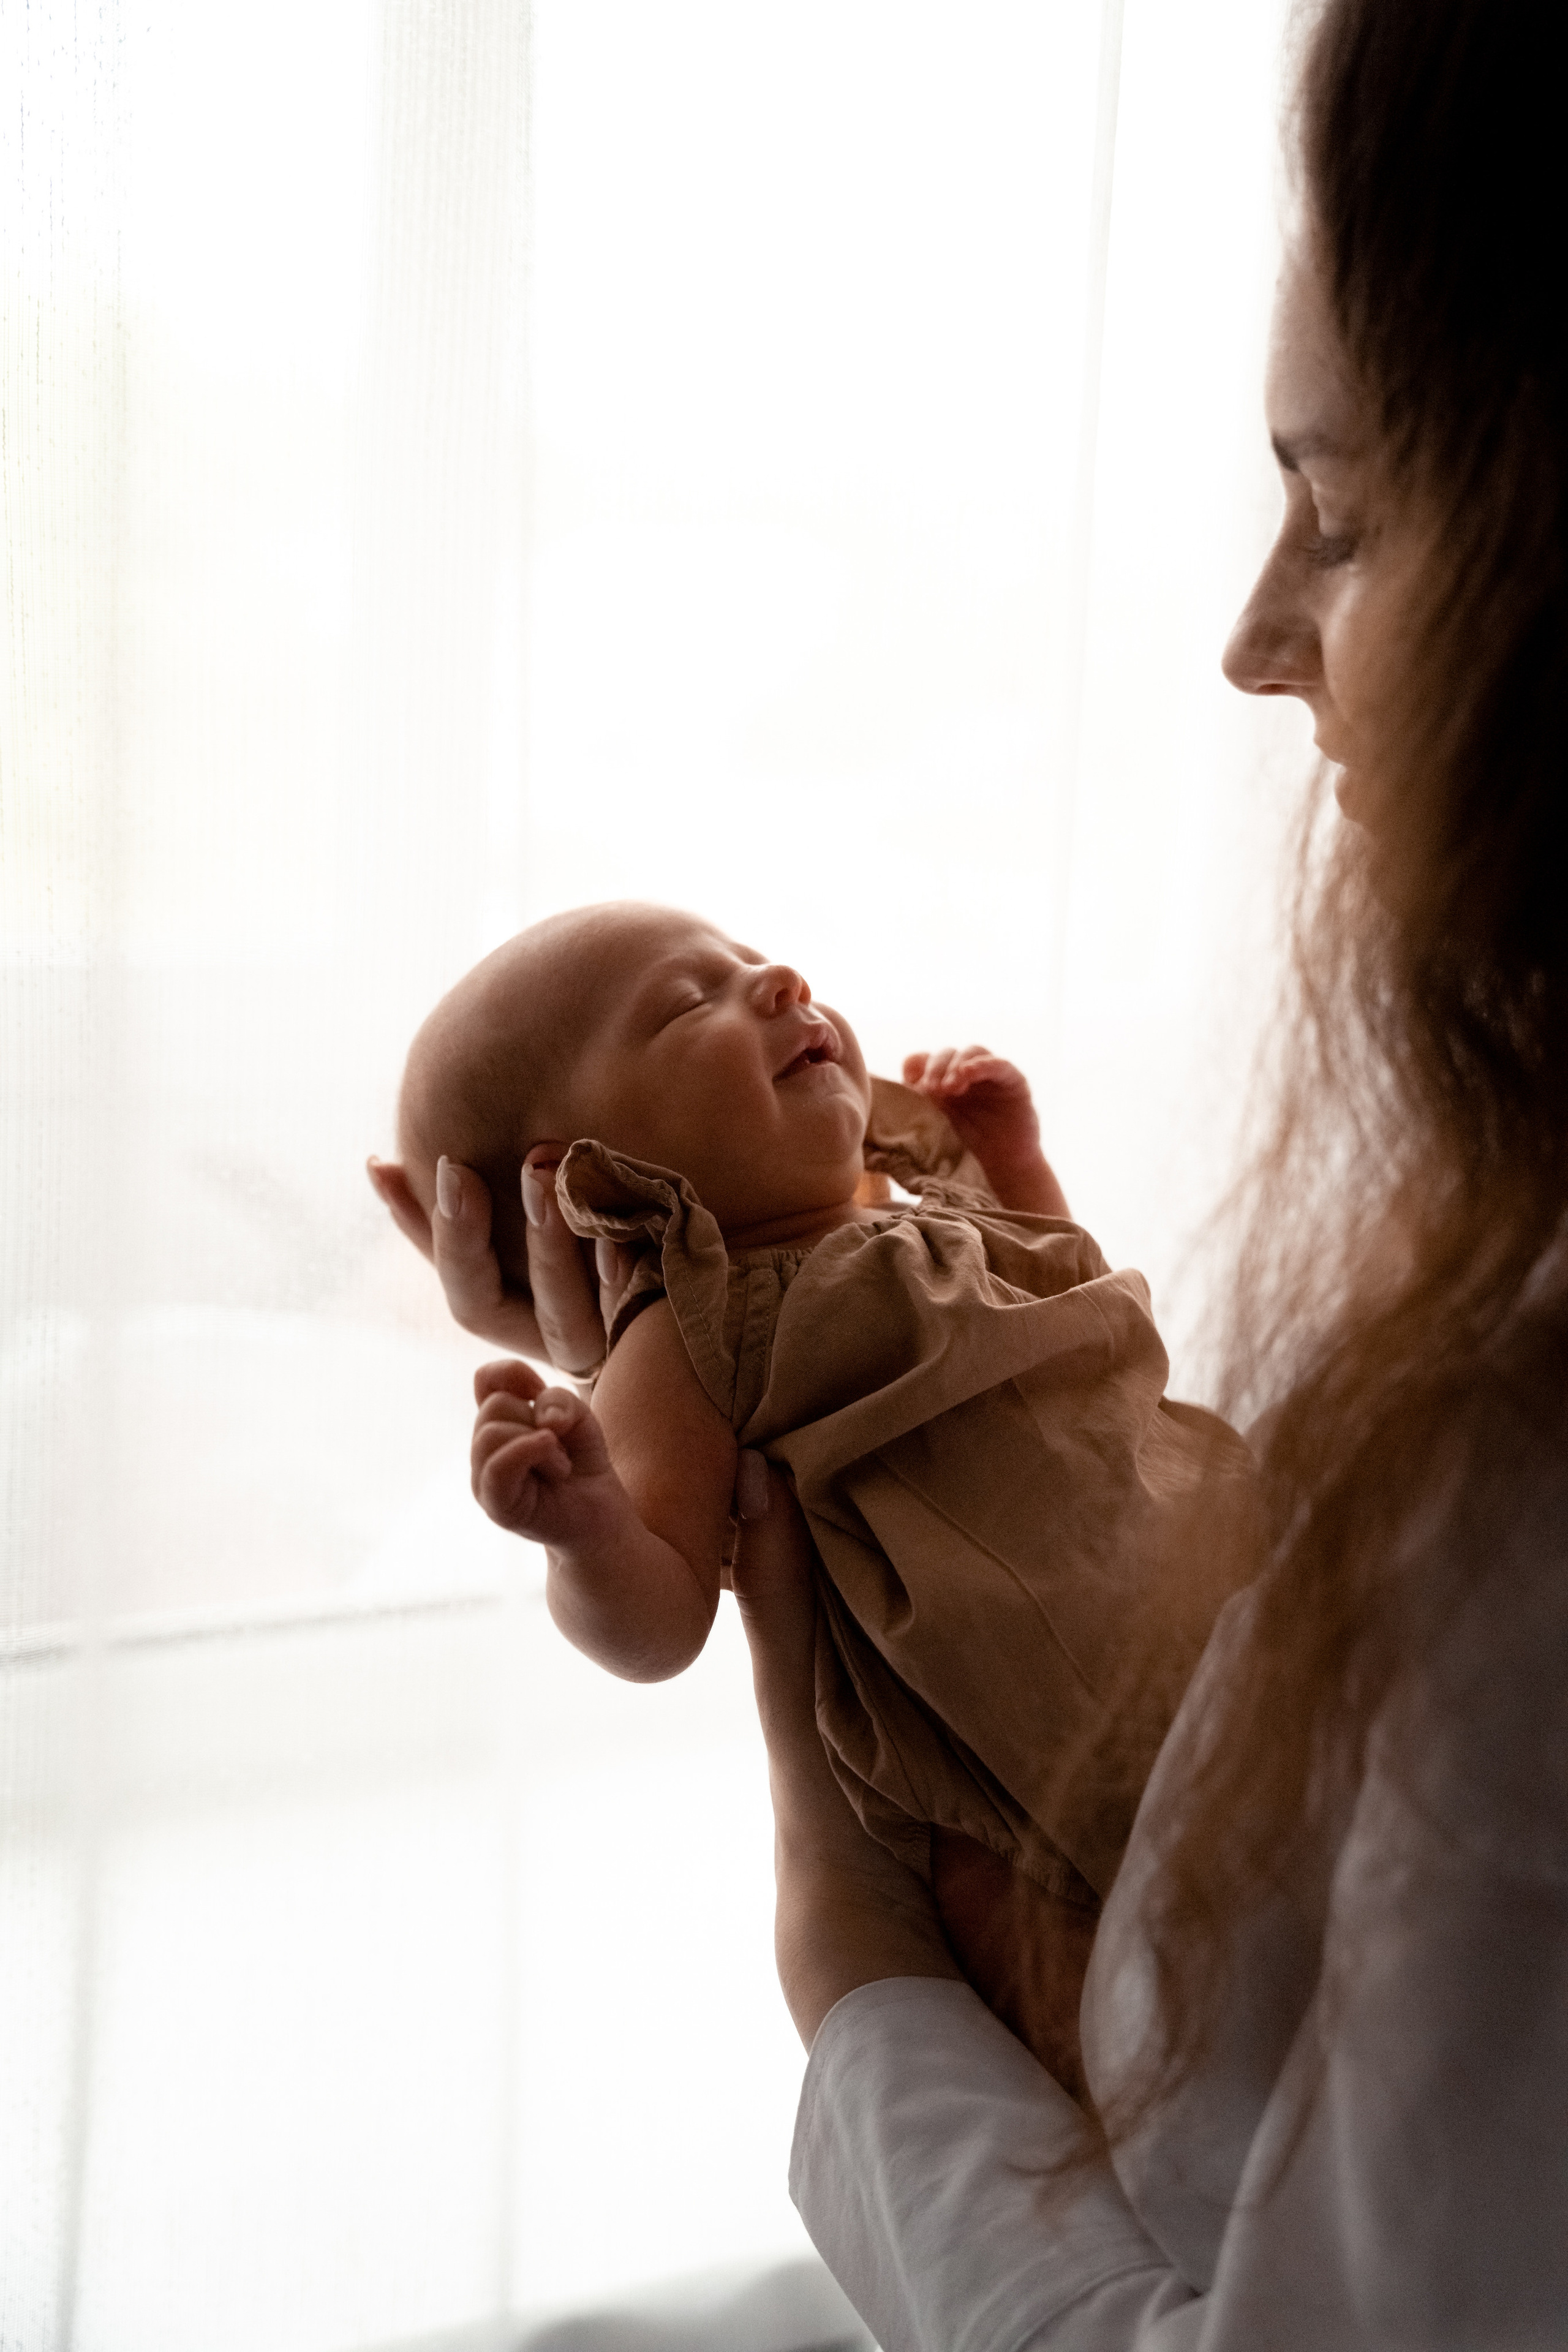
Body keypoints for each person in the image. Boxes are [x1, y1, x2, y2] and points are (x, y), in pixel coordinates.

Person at [372, 0, 1568, 2335]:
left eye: (1339, 508)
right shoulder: (714, 1332)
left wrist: (846, 1959)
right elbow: (665, 1597)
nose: (1248, 642)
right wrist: (592, 1507)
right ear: (599, 1169)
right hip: (1066, 1803)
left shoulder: (1515, 1497)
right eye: (676, 1011)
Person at [388, 905, 1259, 2084]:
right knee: (1120, 2014)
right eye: (691, 1002)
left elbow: (1082, 1308)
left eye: (753, 962)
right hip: (1008, 1771)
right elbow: (661, 1623)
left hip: (1221, 1619)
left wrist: (1013, 1165)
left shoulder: (923, 1213)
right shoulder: (689, 1332)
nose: (782, 980)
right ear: (586, 1177)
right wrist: (589, 1531)